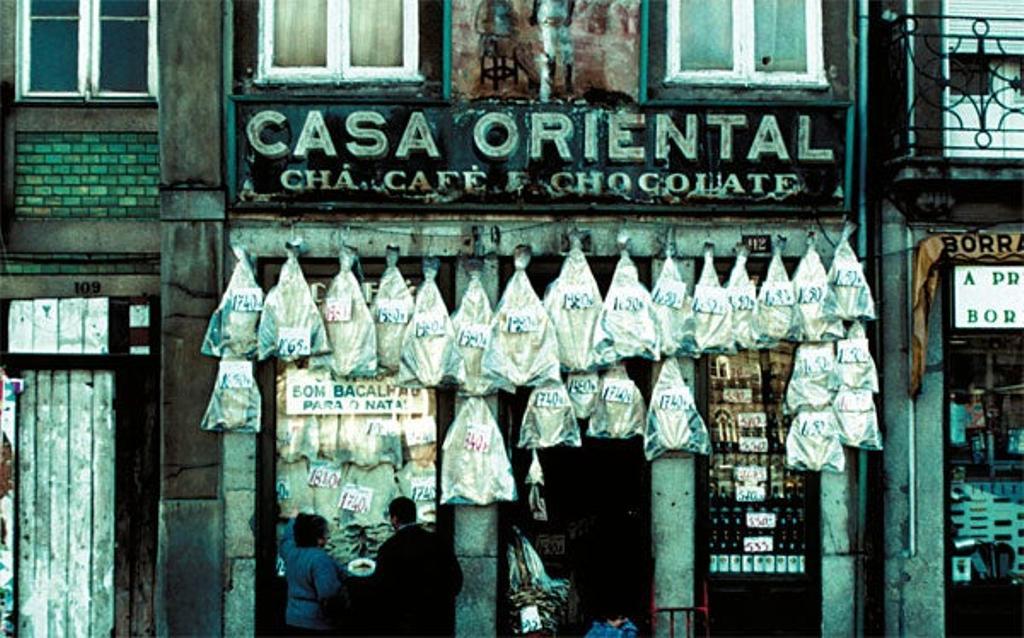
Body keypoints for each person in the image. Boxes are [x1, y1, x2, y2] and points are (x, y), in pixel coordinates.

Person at [373, 497, 463, 636]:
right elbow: (456, 580)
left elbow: (382, 590)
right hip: (437, 620)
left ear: (394, 519)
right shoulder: (438, 542)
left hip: (405, 624)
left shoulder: (388, 549)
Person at [279, 513, 347, 635]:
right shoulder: (320, 559)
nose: (328, 538)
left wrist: (294, 519)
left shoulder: (291, 553)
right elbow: (328, 594)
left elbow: (286, 540)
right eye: (326, 534)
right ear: (319, 538)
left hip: (293, 619)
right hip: (316, 623)